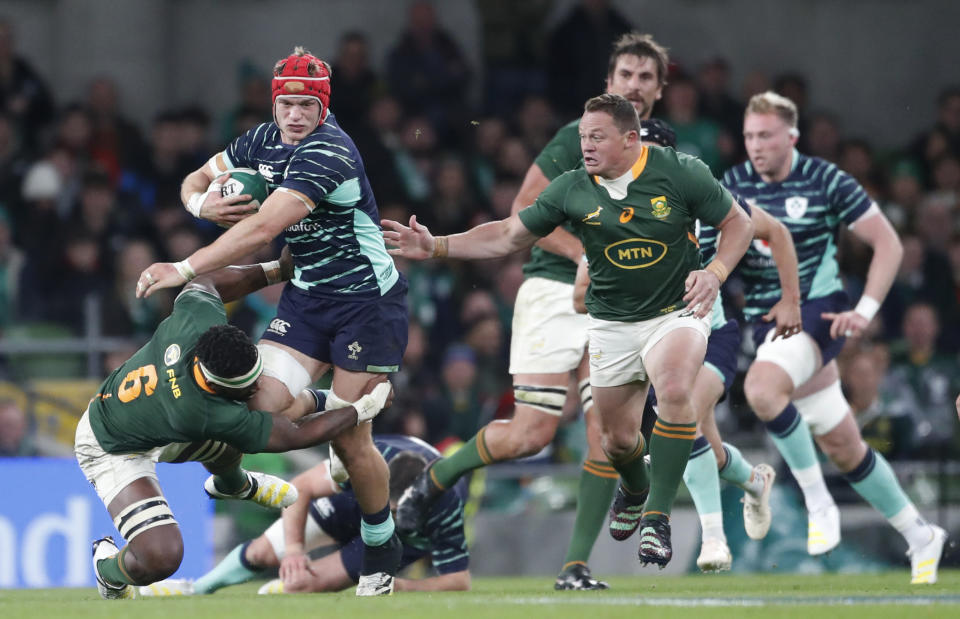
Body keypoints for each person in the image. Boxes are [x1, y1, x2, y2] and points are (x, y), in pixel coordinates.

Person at [384, 93, 754, 569]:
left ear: (631, 139)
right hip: (612, 322)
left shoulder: (679, 171)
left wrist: (716, 273)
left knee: (677, 384)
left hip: (674, 311)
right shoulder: (572, 187)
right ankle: (636, 486)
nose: (586, 146)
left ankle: (656, 518)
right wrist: (435, 245)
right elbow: (506, 235)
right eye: (582, 138)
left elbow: (739, 223)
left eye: (597, 137)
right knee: (618, 442)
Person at [393, 32, 671, 590]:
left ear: (660, 90)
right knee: (530, 435)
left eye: (645, 78)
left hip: (617, 306)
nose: (634, 87)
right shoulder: (579, 137)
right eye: (625, 76)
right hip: (550, 290)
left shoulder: (665, 151)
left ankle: (574, 567)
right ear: (608, 84)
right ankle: (435, 478)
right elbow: (522, 213)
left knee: (611, 435)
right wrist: (583, 253)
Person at [136, 46, 409, 595]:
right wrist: (200, 207)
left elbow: (264, 229)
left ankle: (381, 544)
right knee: (264, 401)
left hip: (366, 303)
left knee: (352, 444)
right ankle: (338, 403)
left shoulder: (329, 151)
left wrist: (183, 265)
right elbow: (195, 178)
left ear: (322, 107)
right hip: (307, 298)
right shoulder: (258, 141)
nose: (295, 113)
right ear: (275, 101)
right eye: (286, 102)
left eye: (307, 104)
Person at [725, 91, 947, 584]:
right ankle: (919, 534)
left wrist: (865, 309)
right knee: (845, 446)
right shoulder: (733, 182)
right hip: (766, 325)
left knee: (761, 391)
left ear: (792, 137)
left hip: (817, 313)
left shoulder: (826, 179)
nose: (756, 145)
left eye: (766, 136)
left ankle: (818, 501)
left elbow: (887, 242)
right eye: (748, 136)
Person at [78, 255, 394, 601]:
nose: (257, 387)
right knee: (161, 556)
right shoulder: (197, 411)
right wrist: (361, 409)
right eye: (246, 386)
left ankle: (234, 485)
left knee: (237, 427)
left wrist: (276, 270)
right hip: (111, 445)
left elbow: (205, 282)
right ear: (216, 387)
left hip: (147, 415)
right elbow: (294, 434)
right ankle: (107, 570)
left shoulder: (199, 322)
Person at [571, 124, 801, 573]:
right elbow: (579, 297)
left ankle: (713, 541)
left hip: (711, 331)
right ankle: (753, 480)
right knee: (704, 446)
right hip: (655, 340)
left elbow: (775, 232)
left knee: (688, 413)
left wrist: (790, 299)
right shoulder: (613, 216)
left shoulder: (707, 197)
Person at [140, 434, 469, 596]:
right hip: (352, 505)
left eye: (399, 511)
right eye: (389, 506)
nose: (390, 515)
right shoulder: (365, 462)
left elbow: (458, 580)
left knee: (305, 585)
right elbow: (301, 487)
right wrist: (295, 550)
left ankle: (283, 591)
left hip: (395, 544)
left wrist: (400, 586)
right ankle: (195, 589)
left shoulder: (447, 505)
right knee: (262, 552)